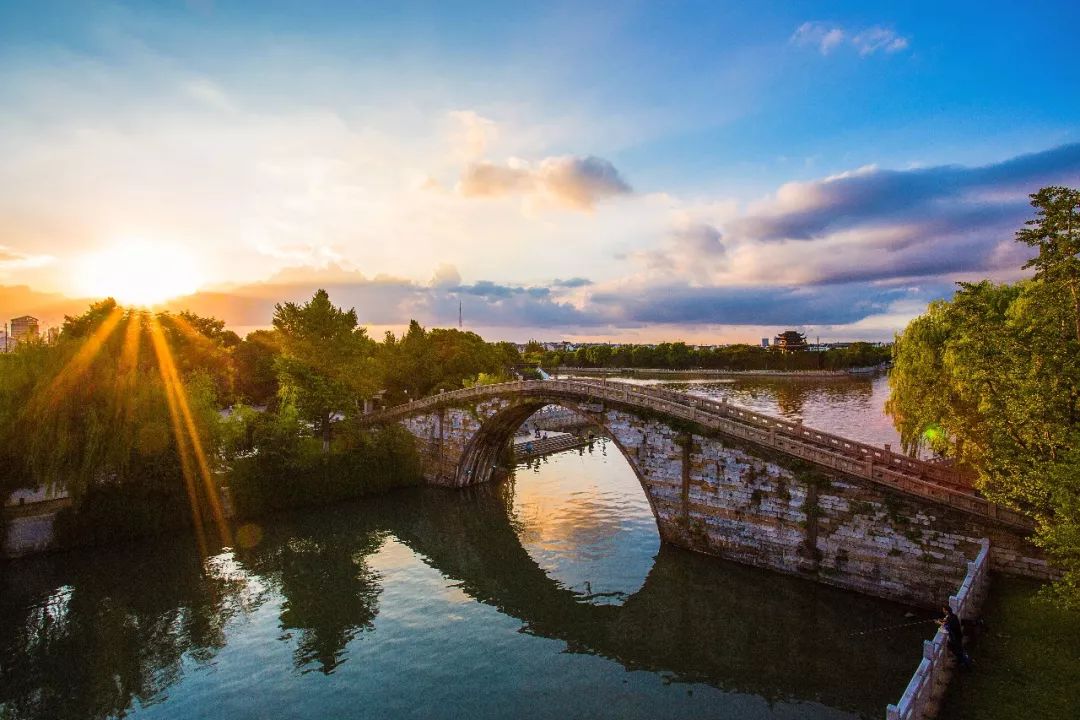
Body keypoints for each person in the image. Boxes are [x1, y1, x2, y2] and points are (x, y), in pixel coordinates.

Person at [940, 604, 973, 669]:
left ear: (947, 611)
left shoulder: (951, 619)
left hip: (955, 638)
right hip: (957, 636)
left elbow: (948, 627)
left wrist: (940, 623)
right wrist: (942, 621)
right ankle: (960, 660)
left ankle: (966, 663)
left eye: (944, 610)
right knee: (954, 648)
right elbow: (947, 622)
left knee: (957, 650)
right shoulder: (953, 616)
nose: (943, 611)